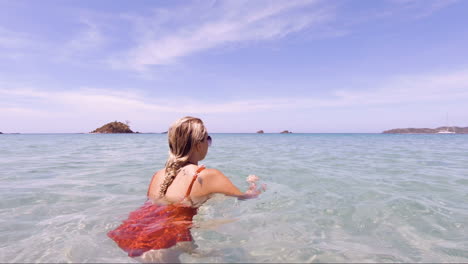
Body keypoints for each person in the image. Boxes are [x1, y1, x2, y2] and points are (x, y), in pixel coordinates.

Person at [107, 116, 264, 263]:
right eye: (207, 139)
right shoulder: (208, 176)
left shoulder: (158, 175)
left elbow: (158, 212)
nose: (208, 144)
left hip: (131, 236)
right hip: (166, 244)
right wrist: (254, 184)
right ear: (198, 145)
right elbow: (246, 197)